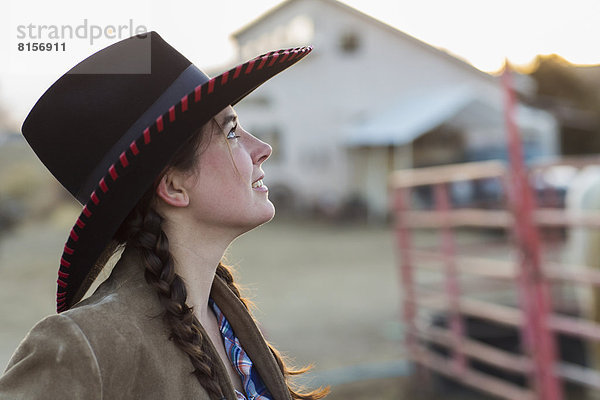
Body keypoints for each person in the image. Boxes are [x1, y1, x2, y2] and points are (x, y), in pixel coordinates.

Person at [0, 32, 329, 400]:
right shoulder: (84, 346)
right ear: (173, 186)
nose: (262, 149)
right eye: (232, 131)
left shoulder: (224, 320)